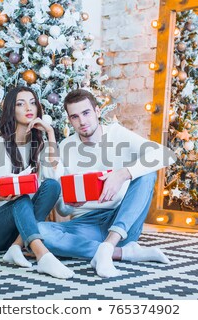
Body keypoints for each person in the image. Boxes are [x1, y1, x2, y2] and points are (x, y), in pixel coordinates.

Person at [38, 89, 176, 278]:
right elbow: (62, 210)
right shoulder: (65, 147)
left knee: (147, 174)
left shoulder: (117, 134)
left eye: (86, 113)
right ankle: (122, 252)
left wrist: (122, 174)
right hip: (87, 224)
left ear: (97, 111)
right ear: (70, 120)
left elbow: (166, 154)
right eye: (75, 117)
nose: (82, 122)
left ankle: (110, 243)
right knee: (39, 232)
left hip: (122, 220)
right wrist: (70, 203)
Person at [0, 86, 74, 279]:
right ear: (12, 110)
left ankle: (16, 247)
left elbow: (55, 175)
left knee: (51, 186)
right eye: (21, 103)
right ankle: (42, 255)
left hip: (17, 231)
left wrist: (50, 133)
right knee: (22, 197)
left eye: (33, 102)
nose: (29, 107)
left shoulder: (40, 146)